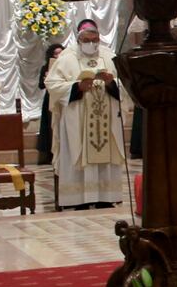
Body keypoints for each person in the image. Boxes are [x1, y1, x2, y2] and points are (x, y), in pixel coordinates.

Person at [46, 19, 126, 209]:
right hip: (77, 119)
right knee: (77, 152)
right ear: (79, 40)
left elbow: (127, 83)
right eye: (87, 40)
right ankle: (78, 198)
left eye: (95, 39)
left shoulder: (109, 56)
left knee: (105, 155)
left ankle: (105, 197)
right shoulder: (66, 58)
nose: (91, 43)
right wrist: (76, 87)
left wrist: (112, 83)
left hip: (106, 121)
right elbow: (52, 84)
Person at [36, 43, 64, 166]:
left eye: (61, 52)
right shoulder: (46, 67)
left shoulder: (66, 66)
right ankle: (49, 153)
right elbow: (40, 86)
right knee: (49, 125)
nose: (59, 55)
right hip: (50, 99)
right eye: (56, 53)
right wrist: (45, 78)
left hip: (63, 97)